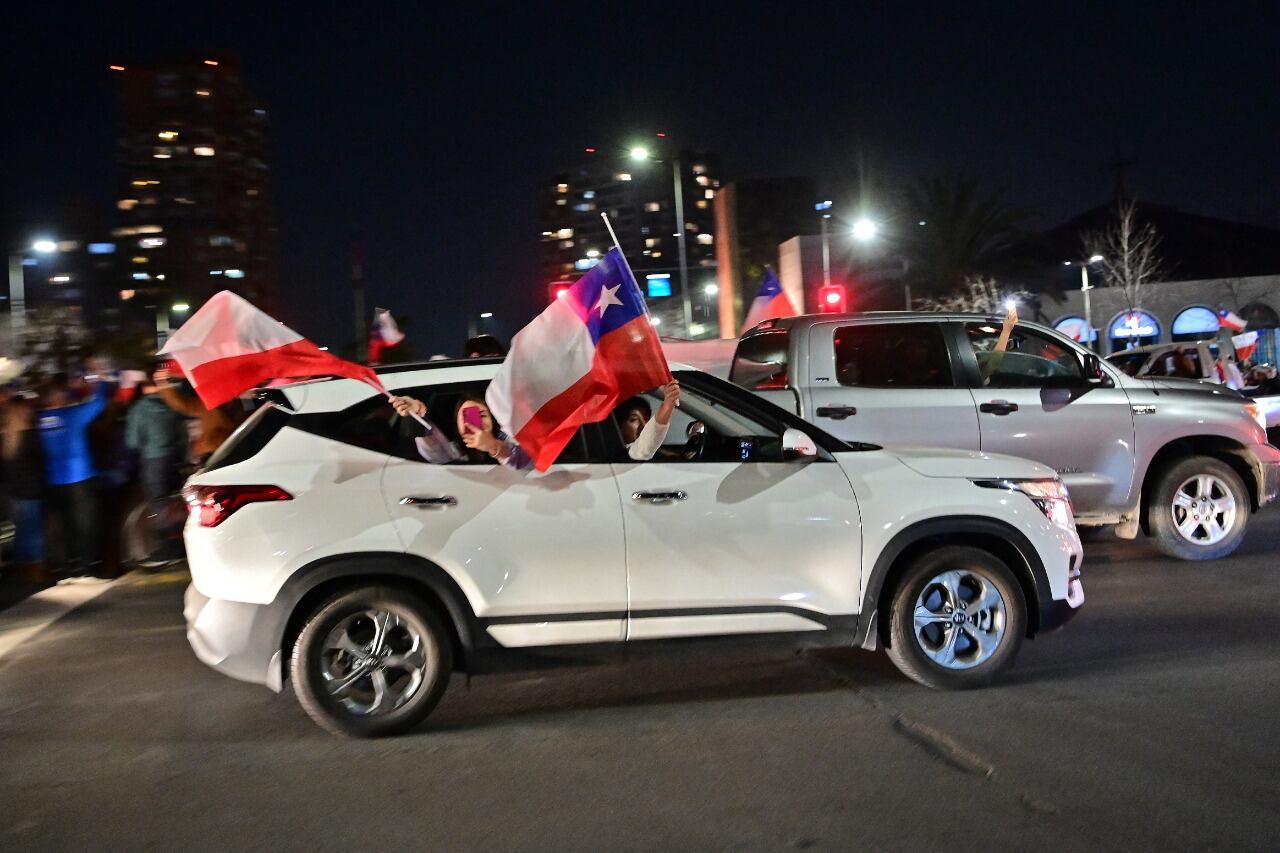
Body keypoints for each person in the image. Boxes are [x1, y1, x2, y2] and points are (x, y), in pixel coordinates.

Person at [38, 371, 112, 578]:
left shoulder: (40, 420)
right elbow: (99, 403)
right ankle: (88, 565)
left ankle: (68, 566)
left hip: (54, 480)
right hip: (80, 478)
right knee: (86, 523)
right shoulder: (72, 416)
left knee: (64, 524)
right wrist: (102, 380)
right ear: (60, 399)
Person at [126, 370, 191, 564]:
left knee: (159, 501)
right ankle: (182, 538)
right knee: (175, 499)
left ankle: (169, 545)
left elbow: (133, 441)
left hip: (153, 460)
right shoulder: (172, 403)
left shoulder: (139, 409)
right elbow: (182, 432)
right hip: (176, 457)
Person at [389, 392, 531, 470]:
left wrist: (493, 446)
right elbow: (434, 450)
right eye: (466, 416)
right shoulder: (453, 450)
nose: (476, 422)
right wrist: (418, 415)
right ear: (457, 425)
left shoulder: (507, 439)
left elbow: (522, 459)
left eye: (482, 415)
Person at [1, 391, 48, 583]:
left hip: (14, 492)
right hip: (32, 489)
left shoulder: (7, 440)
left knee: (21, 530)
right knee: (34, 531)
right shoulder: (32, 436)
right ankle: (36, 569)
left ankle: (19, 568)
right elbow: (42, 462)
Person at [153, 365, 237, 465]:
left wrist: (163, 383)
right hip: (234, 449)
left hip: (214, 451)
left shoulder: (211, 404)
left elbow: (181, 404)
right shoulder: (240, 400)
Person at [616, 381, 681, 461]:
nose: (643, 426)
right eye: (633, 420)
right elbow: (643, 449)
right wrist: (668, 404)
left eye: (646, 418)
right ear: (620, 426)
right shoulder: (625, 456)